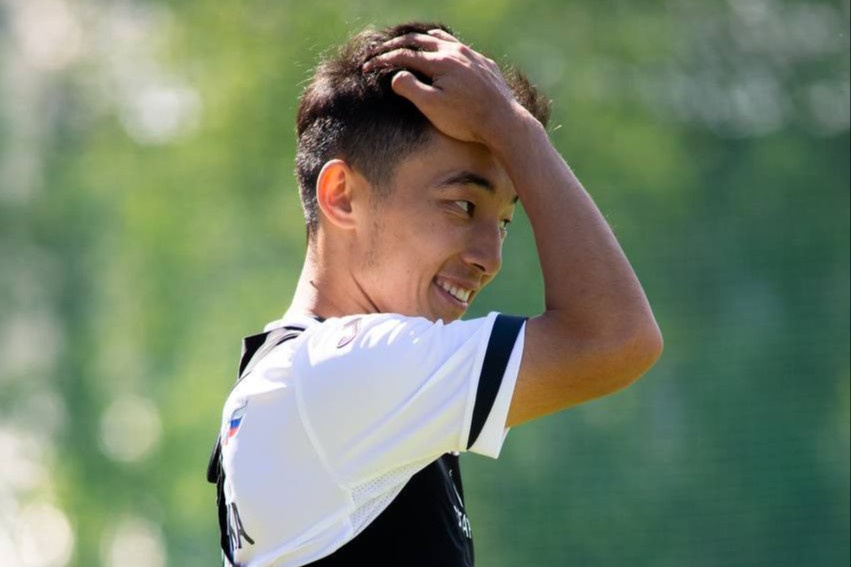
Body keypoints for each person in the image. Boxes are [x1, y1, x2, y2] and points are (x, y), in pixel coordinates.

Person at [208, 21, 663, 567]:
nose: (490, 258)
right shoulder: (340, 373)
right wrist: (511, 127)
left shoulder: (307, 381)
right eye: (463, 206)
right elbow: (616, 337)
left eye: (504, 223)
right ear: (342, 196)